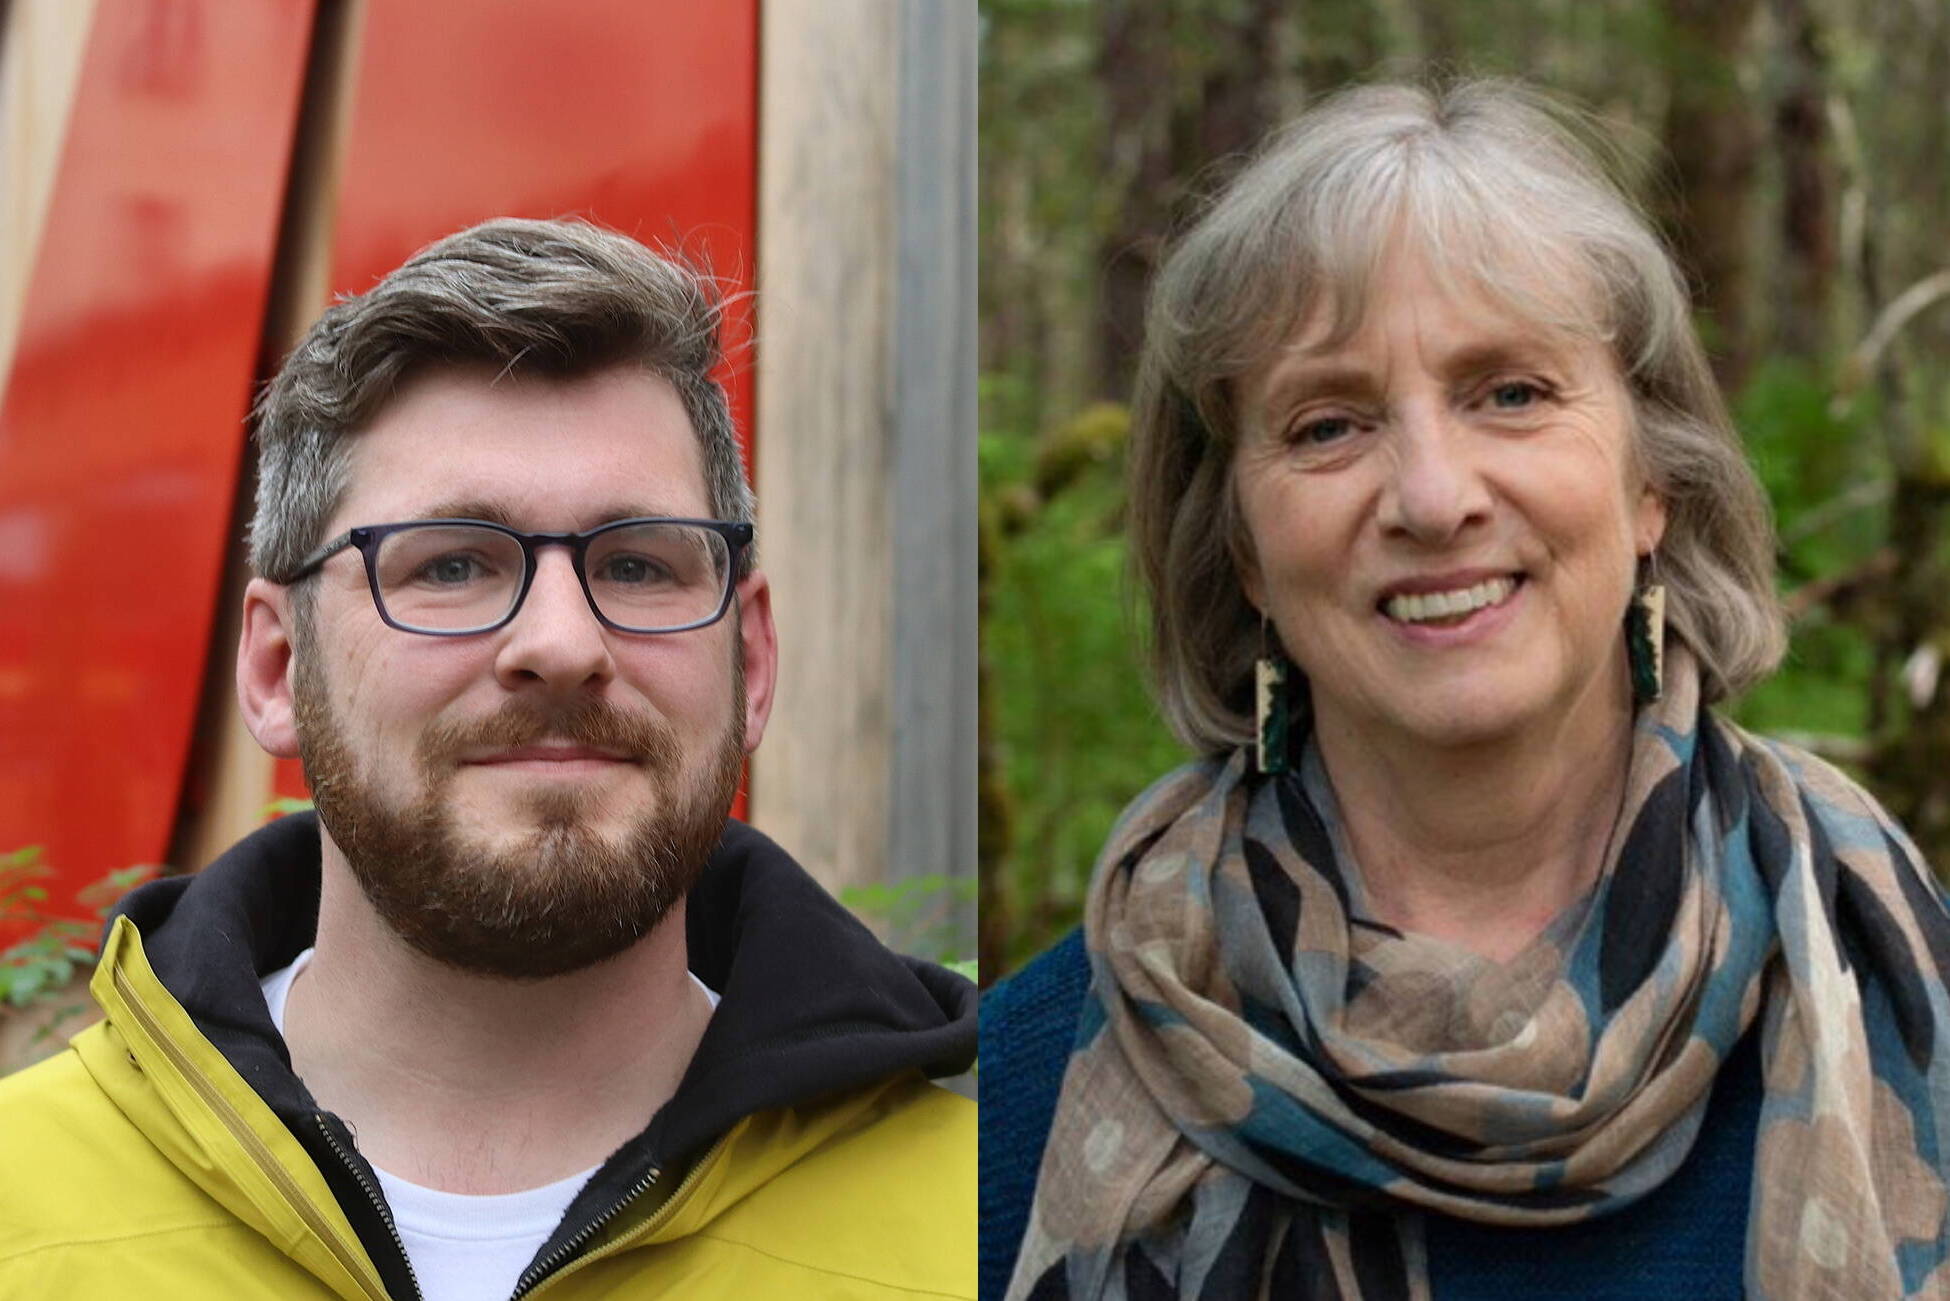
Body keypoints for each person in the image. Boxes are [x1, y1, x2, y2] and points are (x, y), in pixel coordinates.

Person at [981, 80, 1950, 1300]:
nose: (1435, 497)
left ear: (1653, 480)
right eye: (1330, 424)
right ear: (1242, 551)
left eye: (1512, 393)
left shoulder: (1900, 981)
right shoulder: (1018, 1091)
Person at [0, 218, 976, 1300]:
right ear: (279, 667)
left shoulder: (994, 1225)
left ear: (747, 660)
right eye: (452, 563)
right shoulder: (21, 1208)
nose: (561, 643)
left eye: (640, 564)